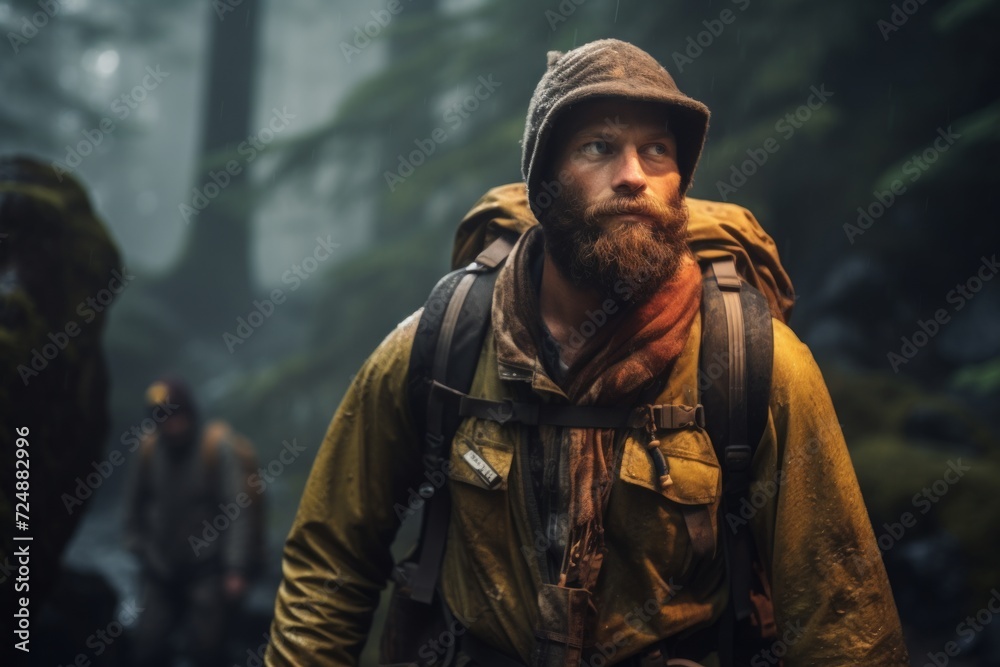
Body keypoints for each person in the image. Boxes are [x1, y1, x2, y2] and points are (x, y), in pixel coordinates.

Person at [264, 39, 908, 666]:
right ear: (542, 183)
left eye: (656, 150)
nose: (633, 176)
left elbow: (842, 621)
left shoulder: (752, 362)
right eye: (598, 147)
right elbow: (331, 564)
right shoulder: (441, 345)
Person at [124, 377, 260, 667]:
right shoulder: (149, 450)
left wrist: (236, 568)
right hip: (160, 571)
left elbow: (237, 509)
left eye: (176, 414)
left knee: (206, 651)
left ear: (189, 413)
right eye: (163, 417)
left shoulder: (215, 447)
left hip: (207, 573)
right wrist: (138, 547)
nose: (171, 423)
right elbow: (133, 506)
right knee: (147, 648)